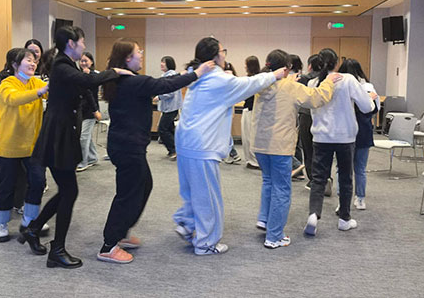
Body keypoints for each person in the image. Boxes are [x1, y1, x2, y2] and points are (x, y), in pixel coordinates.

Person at [97, 39, 215, 264]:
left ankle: (121, 233)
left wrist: (186, 73)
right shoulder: (134, 82)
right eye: (138, 52)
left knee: (143, 186)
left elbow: (165, 82)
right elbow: (165, 85)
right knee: (128, 194)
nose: (141, 54)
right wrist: (197, 73)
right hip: (128, 147)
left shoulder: (124, 80)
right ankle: (108, 245)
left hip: (126, 145)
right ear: (128, 58)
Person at [26, 26, 130, 269]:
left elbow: (85, 86)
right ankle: (57, 250)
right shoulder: (62, 66)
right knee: (69, 191)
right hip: (58, 136)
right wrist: (114, 71)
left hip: (62, 133)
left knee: (67, 190)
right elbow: (88, 80)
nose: (84, 46)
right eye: (82, 41)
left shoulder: (66, 64)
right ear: (71, 43)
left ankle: (33, 229)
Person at [173, 37, 287, 256]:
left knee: (191, 190)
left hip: (186, 141)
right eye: (223, 50)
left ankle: (187, 223)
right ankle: (206, 244)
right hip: (201, 146)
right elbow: (249, 84)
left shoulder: (197, 74)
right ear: (216, 55)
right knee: (207, 196)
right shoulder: (218, 79)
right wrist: (274, 75)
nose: (225, 54)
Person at [250, 49, 341, 249]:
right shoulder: (291, 87)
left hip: (260, 144)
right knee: (282, 189)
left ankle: (264, 219)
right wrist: (329, 81)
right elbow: (317, 98)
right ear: (287, 68)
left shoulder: (261, 83)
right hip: (279, 146)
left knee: (268, 181)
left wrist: (289, 78)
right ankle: (274, 236)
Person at [304, 48, 376, 236]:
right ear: (337, 63)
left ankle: (313, 214)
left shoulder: (313, 83)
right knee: (345, 178)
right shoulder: (348, 80)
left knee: (319, 178)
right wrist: (370, 99)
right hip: (345, 137)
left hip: (321, 136)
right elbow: (366, 107)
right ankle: (344, 218)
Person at [0, 48, 49, 246]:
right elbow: (14, 99)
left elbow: (51, 91)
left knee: (38, 182)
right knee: (7, 186)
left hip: (32, 146)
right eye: (28, 60)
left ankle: (30, 220)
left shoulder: (36, 82)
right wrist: (40, 92)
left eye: (34, 61)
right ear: (15, 64)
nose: (33, 64)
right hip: (8, 145)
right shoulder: (7, 84)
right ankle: (0, 223)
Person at [0, 48, 26, 220]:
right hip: (1, 131)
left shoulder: (30, 80)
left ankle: (19, 203)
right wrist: (12, 102)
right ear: (14, 63)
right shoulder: (0, 78)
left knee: (23, 171)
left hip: (23, 132)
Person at [337, 59, 380, 210]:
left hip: (344, 132)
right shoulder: (368, 87)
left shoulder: (338, 86)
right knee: (360, 168)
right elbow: (374, 109)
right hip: (363, 131)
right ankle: (360, 198)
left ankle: (342, 200)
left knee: (342, 169)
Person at [298, 54, 324, 190]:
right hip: (322, 117)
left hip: (307, 115)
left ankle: (312, 178)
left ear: (310, 66)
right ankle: (323, 176)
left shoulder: (305, 79)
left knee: (308, 148)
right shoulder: (326, 79)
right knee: (320, 149)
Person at [76, 52, 101, 172]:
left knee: (83, 137)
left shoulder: (95, 76)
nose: (83, 63)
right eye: (81, 61)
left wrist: (87, 76)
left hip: (92, 110)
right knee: (86, 136)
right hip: (81, 110)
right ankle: (92, 157)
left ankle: (83, 161)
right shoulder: (78, 74)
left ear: (91, 62)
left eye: (86, 61)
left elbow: (91, 90)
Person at [157, 56, 182, 161]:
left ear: (169, 64)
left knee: (162, 129)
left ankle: (174, 150)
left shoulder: (171, 76)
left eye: (164, 62)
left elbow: (170, 92)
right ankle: (176, 150)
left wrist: (159, 97)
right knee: (170, 129)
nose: (161, 64)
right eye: (161, 62)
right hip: (169, 107)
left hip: (171, 107)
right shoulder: (166, 75)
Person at [241, 56, 261, 170]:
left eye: (246, 64)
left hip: (251, 110)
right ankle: (250, 160)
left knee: (249, 136)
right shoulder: (258, 78)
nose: (245, 67)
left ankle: (254, 161)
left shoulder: (252, 79)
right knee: (247, 136)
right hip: (250, 109)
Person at [289, 54, 305, 179]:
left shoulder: (290, 77)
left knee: (290, 143)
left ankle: (296, 166)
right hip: (299, 112)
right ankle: (298, 171)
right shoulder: (301, 76)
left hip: (292, 112)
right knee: (297, 143)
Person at [223, 60, 241, 164]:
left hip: (225, 109)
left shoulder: (226, 77)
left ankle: (233, 153)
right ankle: (231, 153)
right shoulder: (233, 78)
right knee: (224, 132)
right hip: (228, 108)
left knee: (224, 133)